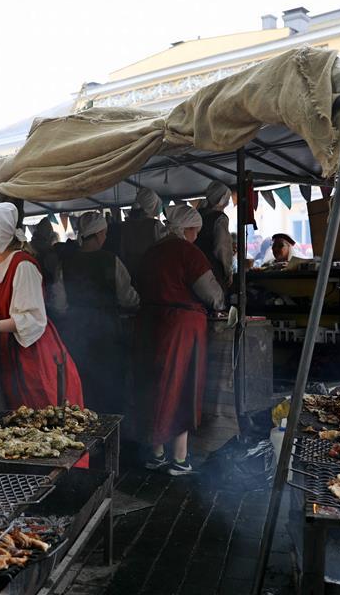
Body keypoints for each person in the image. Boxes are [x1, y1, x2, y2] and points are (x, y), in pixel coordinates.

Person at [0, 203, 83, 409]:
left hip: (34, 352)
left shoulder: (23, 266)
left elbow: (32, 318)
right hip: (9, 349)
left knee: (41, 407)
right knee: (14, 408)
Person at [135, 204, 224, 476]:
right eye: (196, 231)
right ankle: (180, 459)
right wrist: (221, 302)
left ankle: (157, 453)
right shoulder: (188, 252)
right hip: (181, 327)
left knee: (155, 386)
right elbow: (211, 293)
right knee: (182, 386)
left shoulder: (151, 252)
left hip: (150, 322)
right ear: (188, 229)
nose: (197, 235)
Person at [61, 212, 139, 412]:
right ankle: (114, 427)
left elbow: (59, 303)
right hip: (107, 331)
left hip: (76, 332)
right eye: (104, 233)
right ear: (98, 234)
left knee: (86, 383)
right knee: (111, 383)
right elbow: (127, 297)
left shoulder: (66, 262)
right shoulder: (110, 260)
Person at [120, 187, 166, 282]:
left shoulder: (124, 225)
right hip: (150, 271)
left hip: (128, 270)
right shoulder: (156, 225)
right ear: (153, 205)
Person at [196, 180, 233, 293]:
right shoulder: (220, 218)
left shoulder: (198, 214)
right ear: (223, 198)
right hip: (213, 268)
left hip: (196, 265)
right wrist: (228, 271)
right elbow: (222, 247)